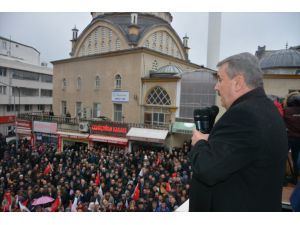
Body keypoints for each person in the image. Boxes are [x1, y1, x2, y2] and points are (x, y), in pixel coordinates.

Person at [188, 52, 288, 212]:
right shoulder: (266, 108)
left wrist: (199, 143)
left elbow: (207, 168)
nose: (216, 87)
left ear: (238, 83)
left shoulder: (243, 115)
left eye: (220, 79)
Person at [283, 91, 300, 185]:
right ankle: (295, 179)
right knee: (296, 158)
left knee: (283, 158)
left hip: (289, 139)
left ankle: (283, 180)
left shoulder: (287, 111)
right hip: (299, 140)